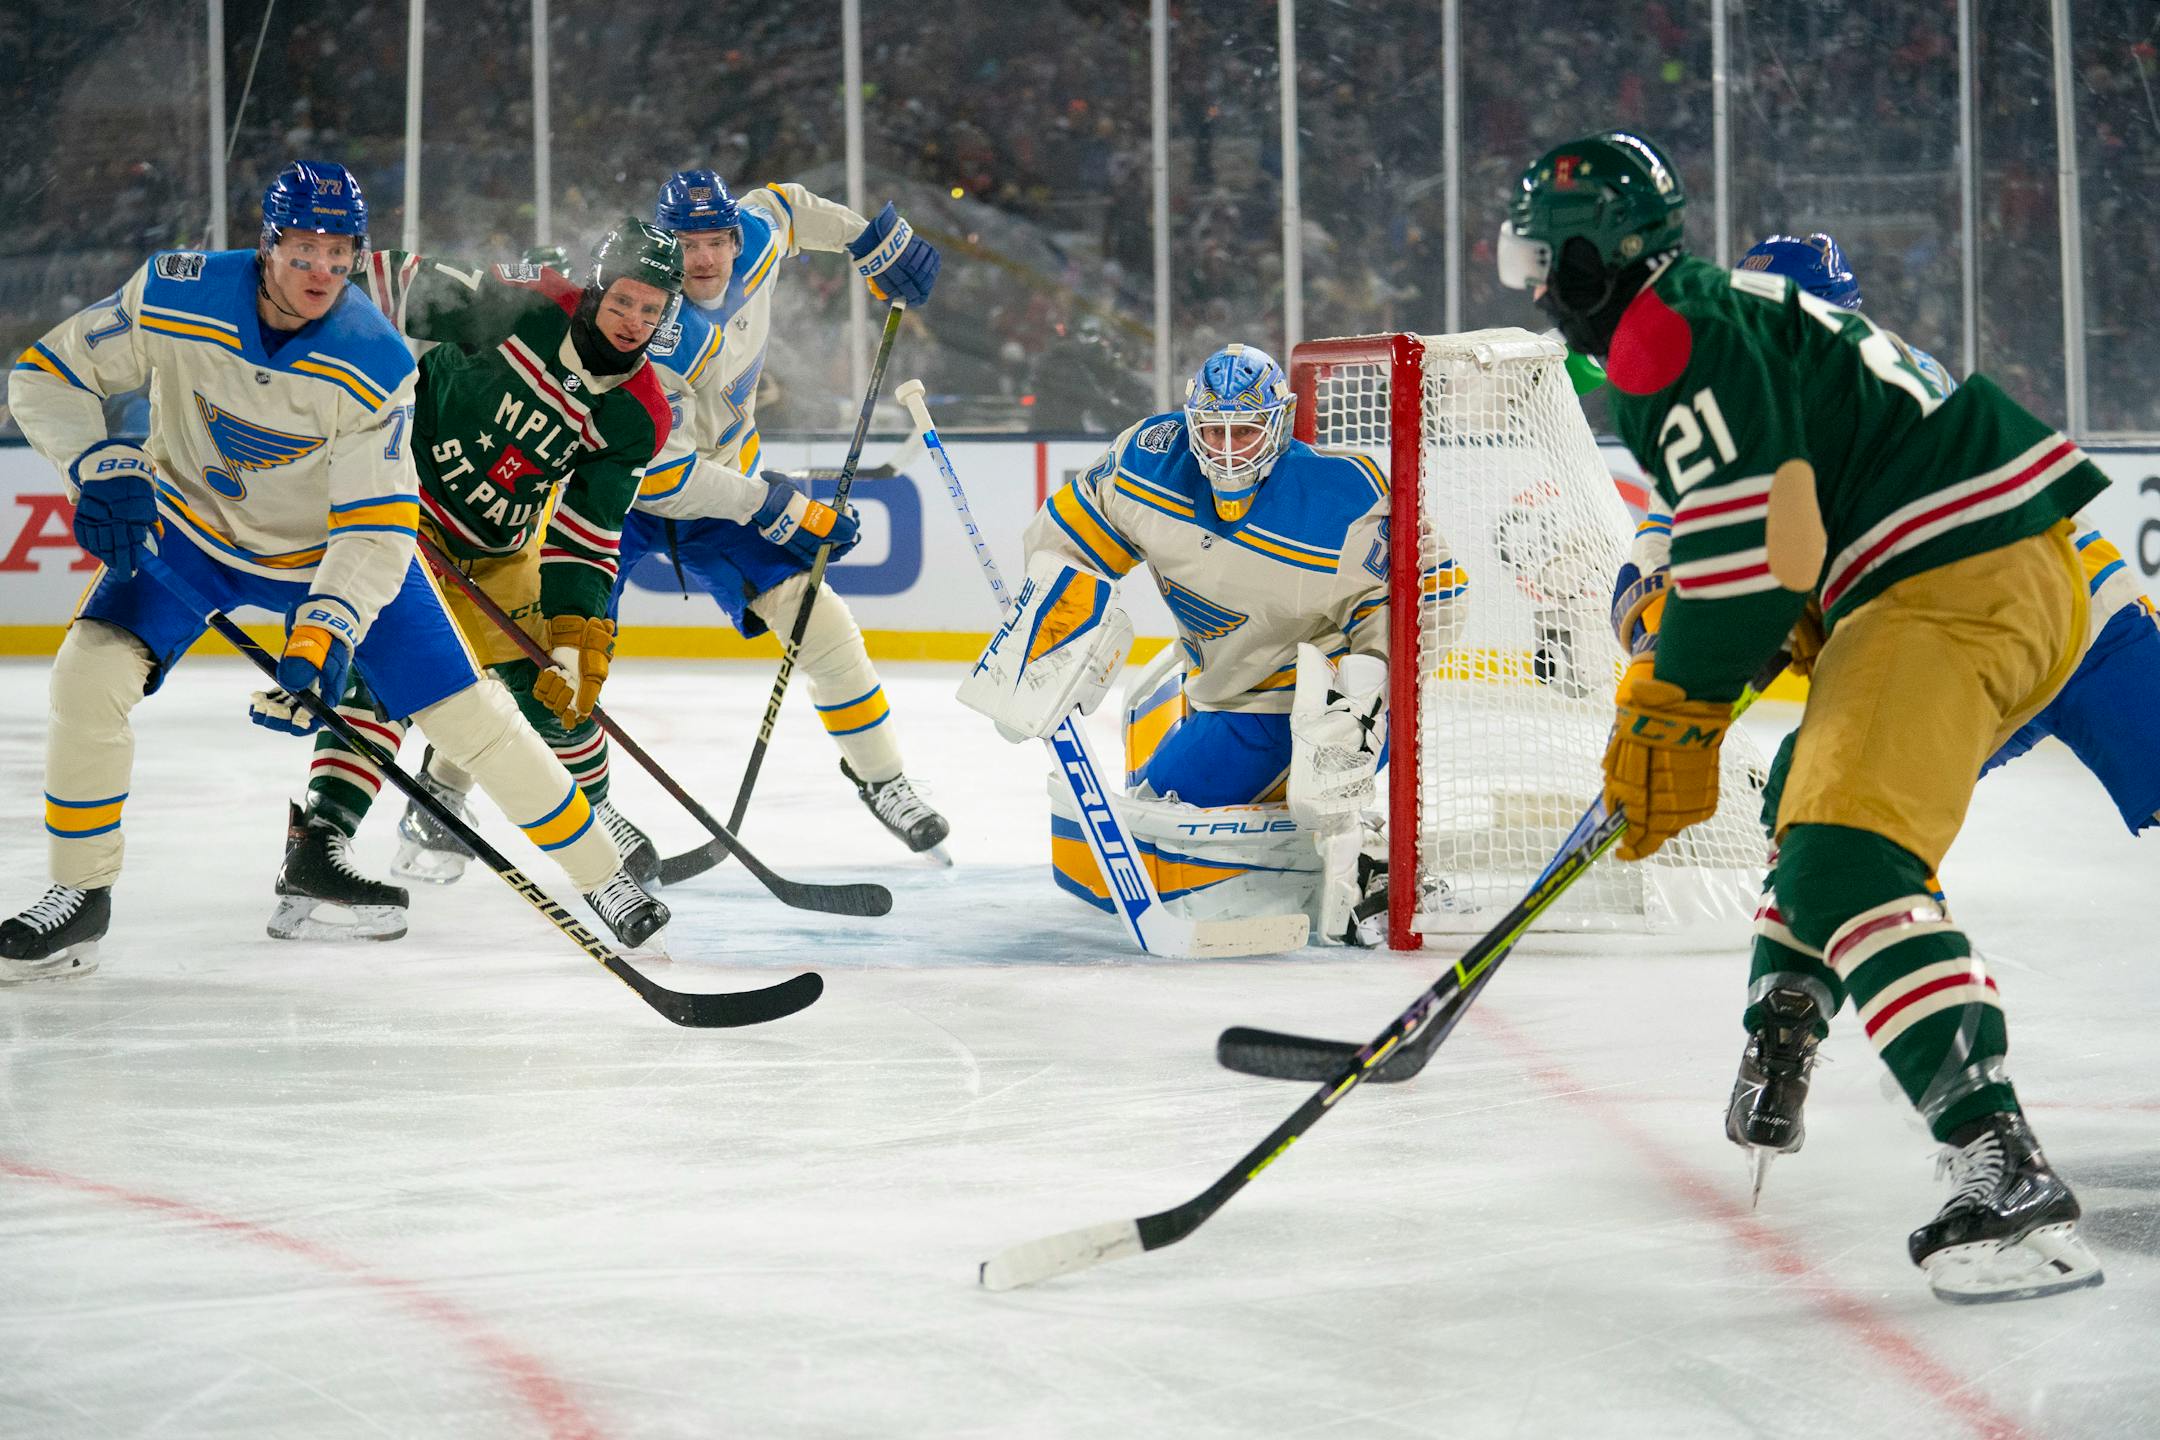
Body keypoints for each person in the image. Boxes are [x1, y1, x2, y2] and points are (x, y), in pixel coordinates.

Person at [1502, 130, 2107, 1303]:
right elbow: (1779, 544)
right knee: (1809, 811)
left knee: (1845, 859)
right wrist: (1685, 689)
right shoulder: (1699, 320)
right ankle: (1785, 1025)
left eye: (1539, 257)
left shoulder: (1671, 337)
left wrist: (1673, 713)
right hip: (1972, 572)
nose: (1531, 286)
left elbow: (1743, 561)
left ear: (1588, 254)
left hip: (1948, 574)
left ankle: (2000, 1157)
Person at [0, 162, 666, 979]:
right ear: (266, 242)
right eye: (304, 250)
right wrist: (95, 462)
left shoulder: (376, 361)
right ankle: (80, 896)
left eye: (340, 253)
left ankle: (604, 882)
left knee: (473, 718)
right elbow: (46, 373)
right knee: (86, 674)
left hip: (325, 552)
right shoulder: (173, 292)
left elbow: (378, 525)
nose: (322, 272)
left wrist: (325, 627)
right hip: (189, 534)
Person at [272, 220, 685, 938]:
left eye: (652, 310)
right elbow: (382, 280)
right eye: (624, 301)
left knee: (559, 690)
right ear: (595, 288)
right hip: (402, 513)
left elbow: (586, 534)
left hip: (500, 547)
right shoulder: (522, 306)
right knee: (383, 685)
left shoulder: (637, 415)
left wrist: (575, 632)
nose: (634, 322)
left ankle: (597, 822)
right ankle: (320, 841)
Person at [958, 344, 1426, 944]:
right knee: (1145, 827)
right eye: (1214, 429)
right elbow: (1068, 543)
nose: (1227, 449)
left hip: (1302, 705)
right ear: (1191, 421)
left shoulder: (1342, 498)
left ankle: (1366, 848)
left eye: (1247, 431)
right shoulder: (1148, 462)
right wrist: (1049, 639)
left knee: (1166, 837)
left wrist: (1365, 696)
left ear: (1278, 425)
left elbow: (1426, 590)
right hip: (1222, 697)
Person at [630, 170, 951, 856]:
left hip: (719, 483)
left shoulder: (754, 240)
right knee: (548, 644)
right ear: (665, 247)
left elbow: (789, 206)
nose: (709, 259)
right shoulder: (650, 321)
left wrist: (870, 243)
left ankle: (883, 778)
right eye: (690, 245)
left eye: (717, 240)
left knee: (822, 621)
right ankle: (449, 790)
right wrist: (775, 503)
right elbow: (659, 480)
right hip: (619, 495)